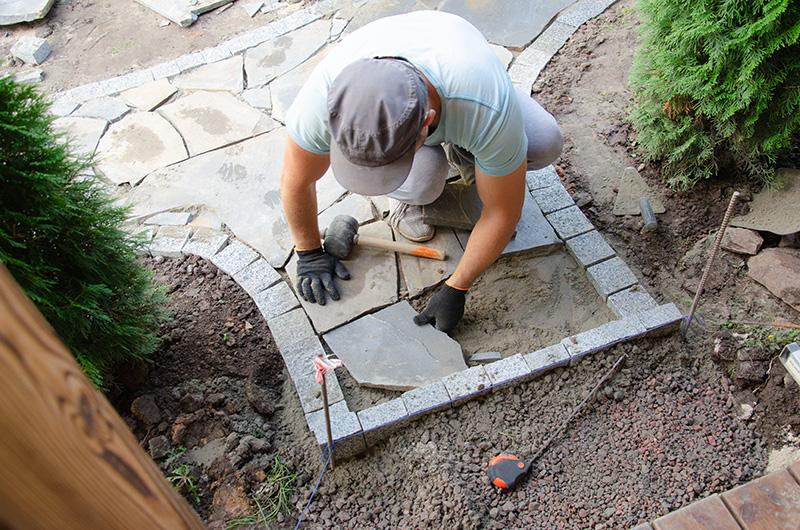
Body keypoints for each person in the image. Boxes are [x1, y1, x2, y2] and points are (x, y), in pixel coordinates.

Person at [280, 10, 563, 332]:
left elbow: (503, 212)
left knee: (544, 142)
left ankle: (470, 150)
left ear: (427, 122)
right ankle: (438, 179)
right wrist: (308, 252)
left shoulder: (485, 105)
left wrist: (457, 286)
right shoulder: (323, 100)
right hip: (427, 84)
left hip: (461, 78)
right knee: (422, 184)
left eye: (392, 161)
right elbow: (296, 180)